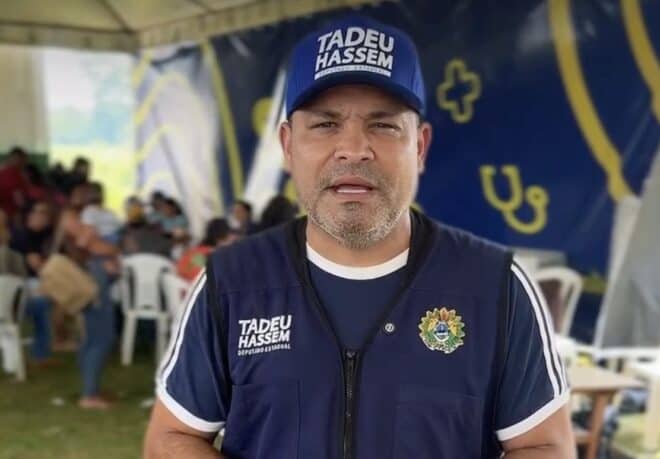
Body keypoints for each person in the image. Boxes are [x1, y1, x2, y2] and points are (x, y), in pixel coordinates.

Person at [145, 15, 574, 459]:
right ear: (288, 146)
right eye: (325, 124)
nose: (353, 149)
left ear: (420, 146)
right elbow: (171, 439)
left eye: (383, 125)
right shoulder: (233, 282)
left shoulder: (494, 286)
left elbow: (545, 447)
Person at [176, 218, 240, 282]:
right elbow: (201, 276)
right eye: (230, 235)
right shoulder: (206, 253)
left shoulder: (200, 250)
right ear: (221, 238)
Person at [0, 146, 29, 226]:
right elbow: (18, 198)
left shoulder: (6, 171)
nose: (24, 163)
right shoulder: (13, 173)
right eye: (23, 160)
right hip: (9, 213)